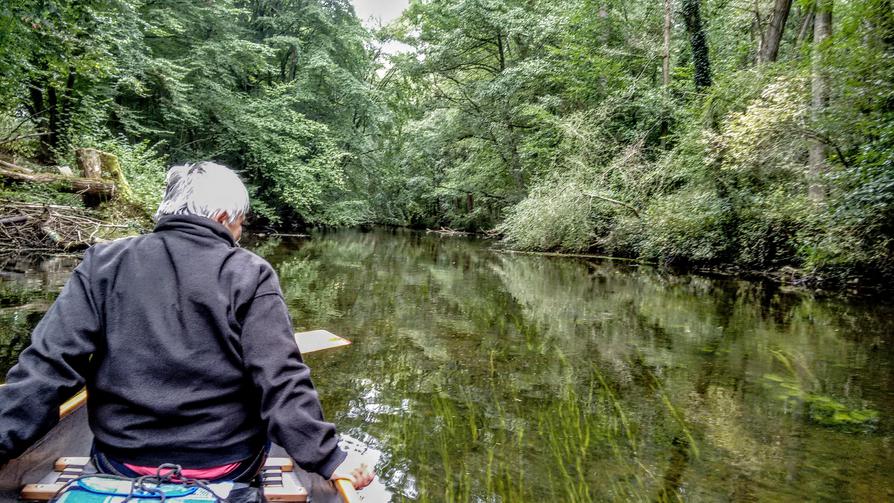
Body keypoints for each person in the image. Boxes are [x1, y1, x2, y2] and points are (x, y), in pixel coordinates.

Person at [0, 161, 374, 489]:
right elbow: (280, 380)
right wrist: (328, 458)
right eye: (241, 224)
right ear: (224, 218)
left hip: (120, 462)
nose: (239, 236)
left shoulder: (104, 262)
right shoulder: (249, 272)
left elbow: (46, 367)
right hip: (225, 467)